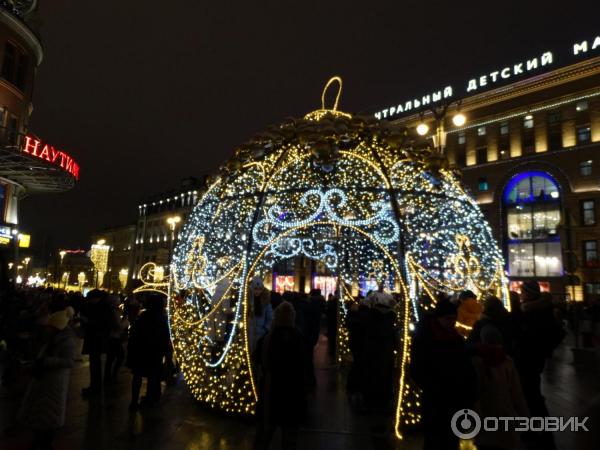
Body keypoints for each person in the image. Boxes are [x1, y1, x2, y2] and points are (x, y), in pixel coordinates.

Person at [410, 298, 477, 450]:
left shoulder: (456, 338)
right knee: (435, 438)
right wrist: (433, 387)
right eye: (448, 319)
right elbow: (417, 368)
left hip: (454, 398)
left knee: (451, 438)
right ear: (439, 318)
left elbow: (465, 365)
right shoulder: (425, 338)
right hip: (435, 399)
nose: (451, 322)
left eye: (453, 319)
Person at [514, 281, 563, 450]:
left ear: (529, 293)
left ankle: (539, 430)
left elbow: (536, 335)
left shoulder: (534, 311)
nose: (520, 294)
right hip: (532, 358)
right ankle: (537, 429)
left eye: (522, 291)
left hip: (529, 358)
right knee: (531, 393)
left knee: (531, 395)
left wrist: (536, 348)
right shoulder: (538, 309)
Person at [19, 307, 76, 450]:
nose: (46, 329)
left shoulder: (65, 341)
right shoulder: (51, 339)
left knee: (49, 415)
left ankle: (44, 442)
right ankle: (40, 440)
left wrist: (46, 362)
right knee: (41, 413)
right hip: (45, 380)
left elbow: (69, 362)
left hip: (54, 382)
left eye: (49, 327)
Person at [254, 301, 306, 450]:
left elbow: (257, 358)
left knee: (265, 433)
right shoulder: (298, 337)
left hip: (271, 390)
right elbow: (303, 365)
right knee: (289, 437)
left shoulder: (267, 339)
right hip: (292, 391)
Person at [472, 324, 529, 450]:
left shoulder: (476, 363)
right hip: (506, 419)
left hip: (486, 422)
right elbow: (517, 394)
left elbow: (475, 396)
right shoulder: (507, 361)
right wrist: (526, 418)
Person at [126, 295, 171, 410]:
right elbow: (164, 337)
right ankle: (149, 400)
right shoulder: (161, 319)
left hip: (140, 350)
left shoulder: (142, 317)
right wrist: (165, 352)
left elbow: (134, 334)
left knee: (137, 376)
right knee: (152, 377)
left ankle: (133, 401)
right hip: (154, 352)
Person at [363, 291, 397, 414]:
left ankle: (371, 399)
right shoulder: (392, 316)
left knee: (372, 373)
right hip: (386, 350)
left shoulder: (370, 314)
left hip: (372, 349)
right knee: (385, 375)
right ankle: (384, 399)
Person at [80, 289, 112, 395]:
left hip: (96, 339)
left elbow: (99, 324)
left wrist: (87, 321)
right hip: (97, 339)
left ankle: (95, 387)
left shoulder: (101, 308)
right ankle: (95, 386)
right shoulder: (103, 307)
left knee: (95, 364)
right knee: (95, 363)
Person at [104, 294, 129, 385]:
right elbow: (118, 326)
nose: (119, 301)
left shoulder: (114, 310)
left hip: (113, 337)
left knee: (111, 358)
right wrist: (125, 321)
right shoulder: (114, 311)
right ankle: (112, 375)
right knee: (119, 356)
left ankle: (109, 376)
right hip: (114, 337)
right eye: (118, 300)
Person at [250, 276, 273, 350]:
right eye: (255, 289)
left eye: (259, 289)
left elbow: (270, 318)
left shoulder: (266, 302)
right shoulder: (248, 301)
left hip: (260, 334)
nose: (257, 291)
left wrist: (265, 329)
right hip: (248, 333)